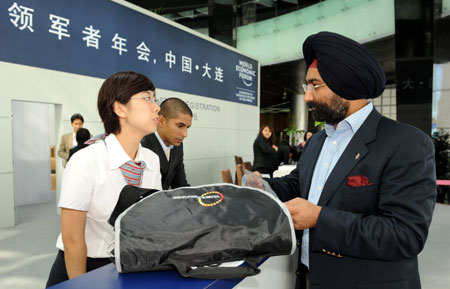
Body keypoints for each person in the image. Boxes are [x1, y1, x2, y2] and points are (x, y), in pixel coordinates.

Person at [264, 32, 436, 289]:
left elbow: (405, 235)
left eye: (315, 85)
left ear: (346, 84)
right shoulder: (318, 141)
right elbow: (299, 185)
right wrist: (262, 187)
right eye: (306, 87)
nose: (307, 96)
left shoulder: (407, 143)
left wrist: (320, 219)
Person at [46, 71, 162, 287]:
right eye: (147, 98)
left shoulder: (152, 160)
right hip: (82, 267)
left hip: (128, 265)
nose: (156, 107)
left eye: (155, 99)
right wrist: (80, 284)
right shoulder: (86, 160)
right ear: (120, 109)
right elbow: (73, 240)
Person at [141, 97, 192, 190]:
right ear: (161, 121)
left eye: (187, 127)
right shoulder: (142, 145)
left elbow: (180, 186)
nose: (185, 134)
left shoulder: (177, 146)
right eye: (180, 126)